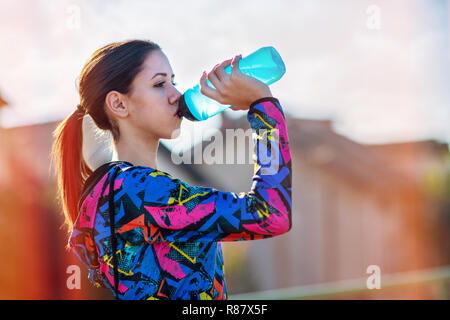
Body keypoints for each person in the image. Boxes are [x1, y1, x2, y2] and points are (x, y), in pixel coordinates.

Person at [51, 39, 292, 300]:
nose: (175, 94)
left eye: (173, 81)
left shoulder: (119, 188)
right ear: (119, 104)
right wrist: (263, 105)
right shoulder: (142, 190)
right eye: (159, 84)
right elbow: (270, 213)